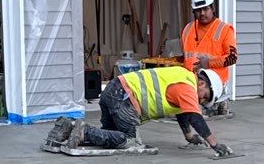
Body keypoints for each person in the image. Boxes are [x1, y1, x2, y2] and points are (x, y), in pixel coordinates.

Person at [50, 64, 234, 156]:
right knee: (129, 142)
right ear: (202, 83)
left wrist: (189, 136)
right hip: (125, 98)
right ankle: (83, 132)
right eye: (205, 97)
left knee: (109, 136)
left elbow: (184, 113)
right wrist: (215, 144)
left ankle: (67, 127)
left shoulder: (182, 76)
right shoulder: (188, 87)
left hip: (114, 90)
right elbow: (195, 117)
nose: (201, 101)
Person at [180, 0, 237, 109]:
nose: (202, 13)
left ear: (213, 9)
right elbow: (186, 56)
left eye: (205, 9)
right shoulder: (187, 29)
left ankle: (218, 103)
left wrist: (208, 63)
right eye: (198, 10)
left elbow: (232, 58)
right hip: (191, 83)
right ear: (193, 11)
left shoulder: (224, 29)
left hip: (213, 85)